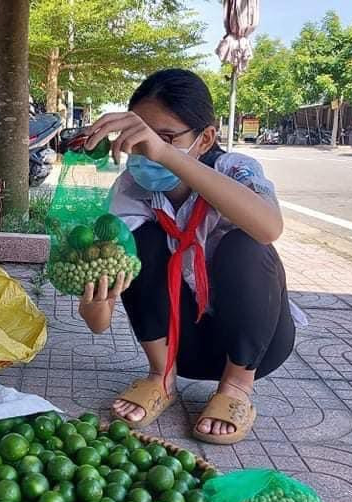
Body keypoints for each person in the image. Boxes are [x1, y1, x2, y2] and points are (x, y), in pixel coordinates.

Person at [78, 69, 302, 444]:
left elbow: (269, 228)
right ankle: (161, 377)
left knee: (244, 245)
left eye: (164, 137)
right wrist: (96, 298)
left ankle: (235, 388)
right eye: (139, 137)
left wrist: (166, 155)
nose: (146, 150)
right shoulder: (133, 189)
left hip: (256, 345)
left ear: (206, 138)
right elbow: (99, 324)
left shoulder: (235, 170)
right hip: (181, 347)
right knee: (138, 240)